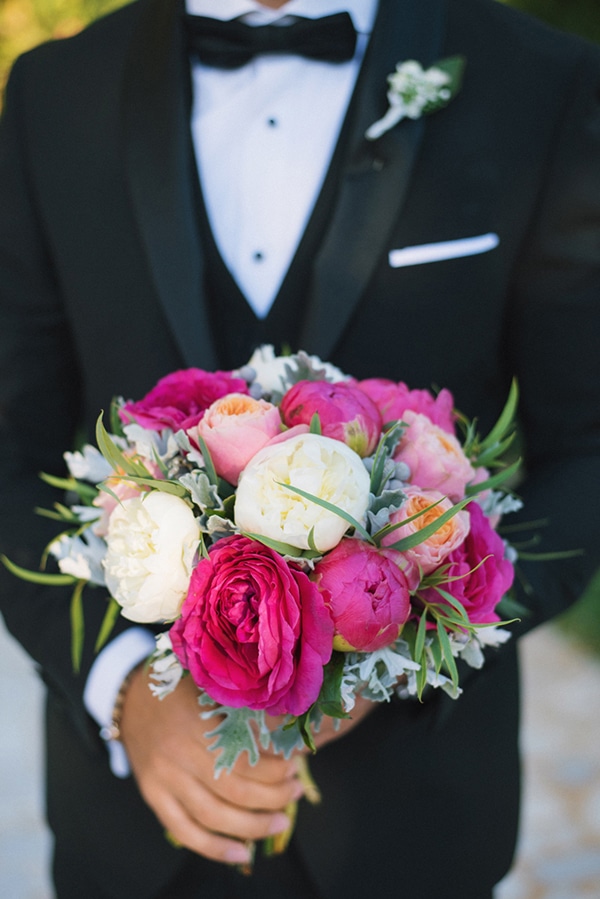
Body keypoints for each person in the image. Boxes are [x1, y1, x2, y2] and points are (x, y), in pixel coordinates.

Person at [1, 0, 599, 896]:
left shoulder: (541, 82)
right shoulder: (55, 92)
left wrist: (402, 646)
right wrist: (121, 685)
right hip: (131, 834)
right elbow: (13, 442)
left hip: (417, 830)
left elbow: (584, 447)